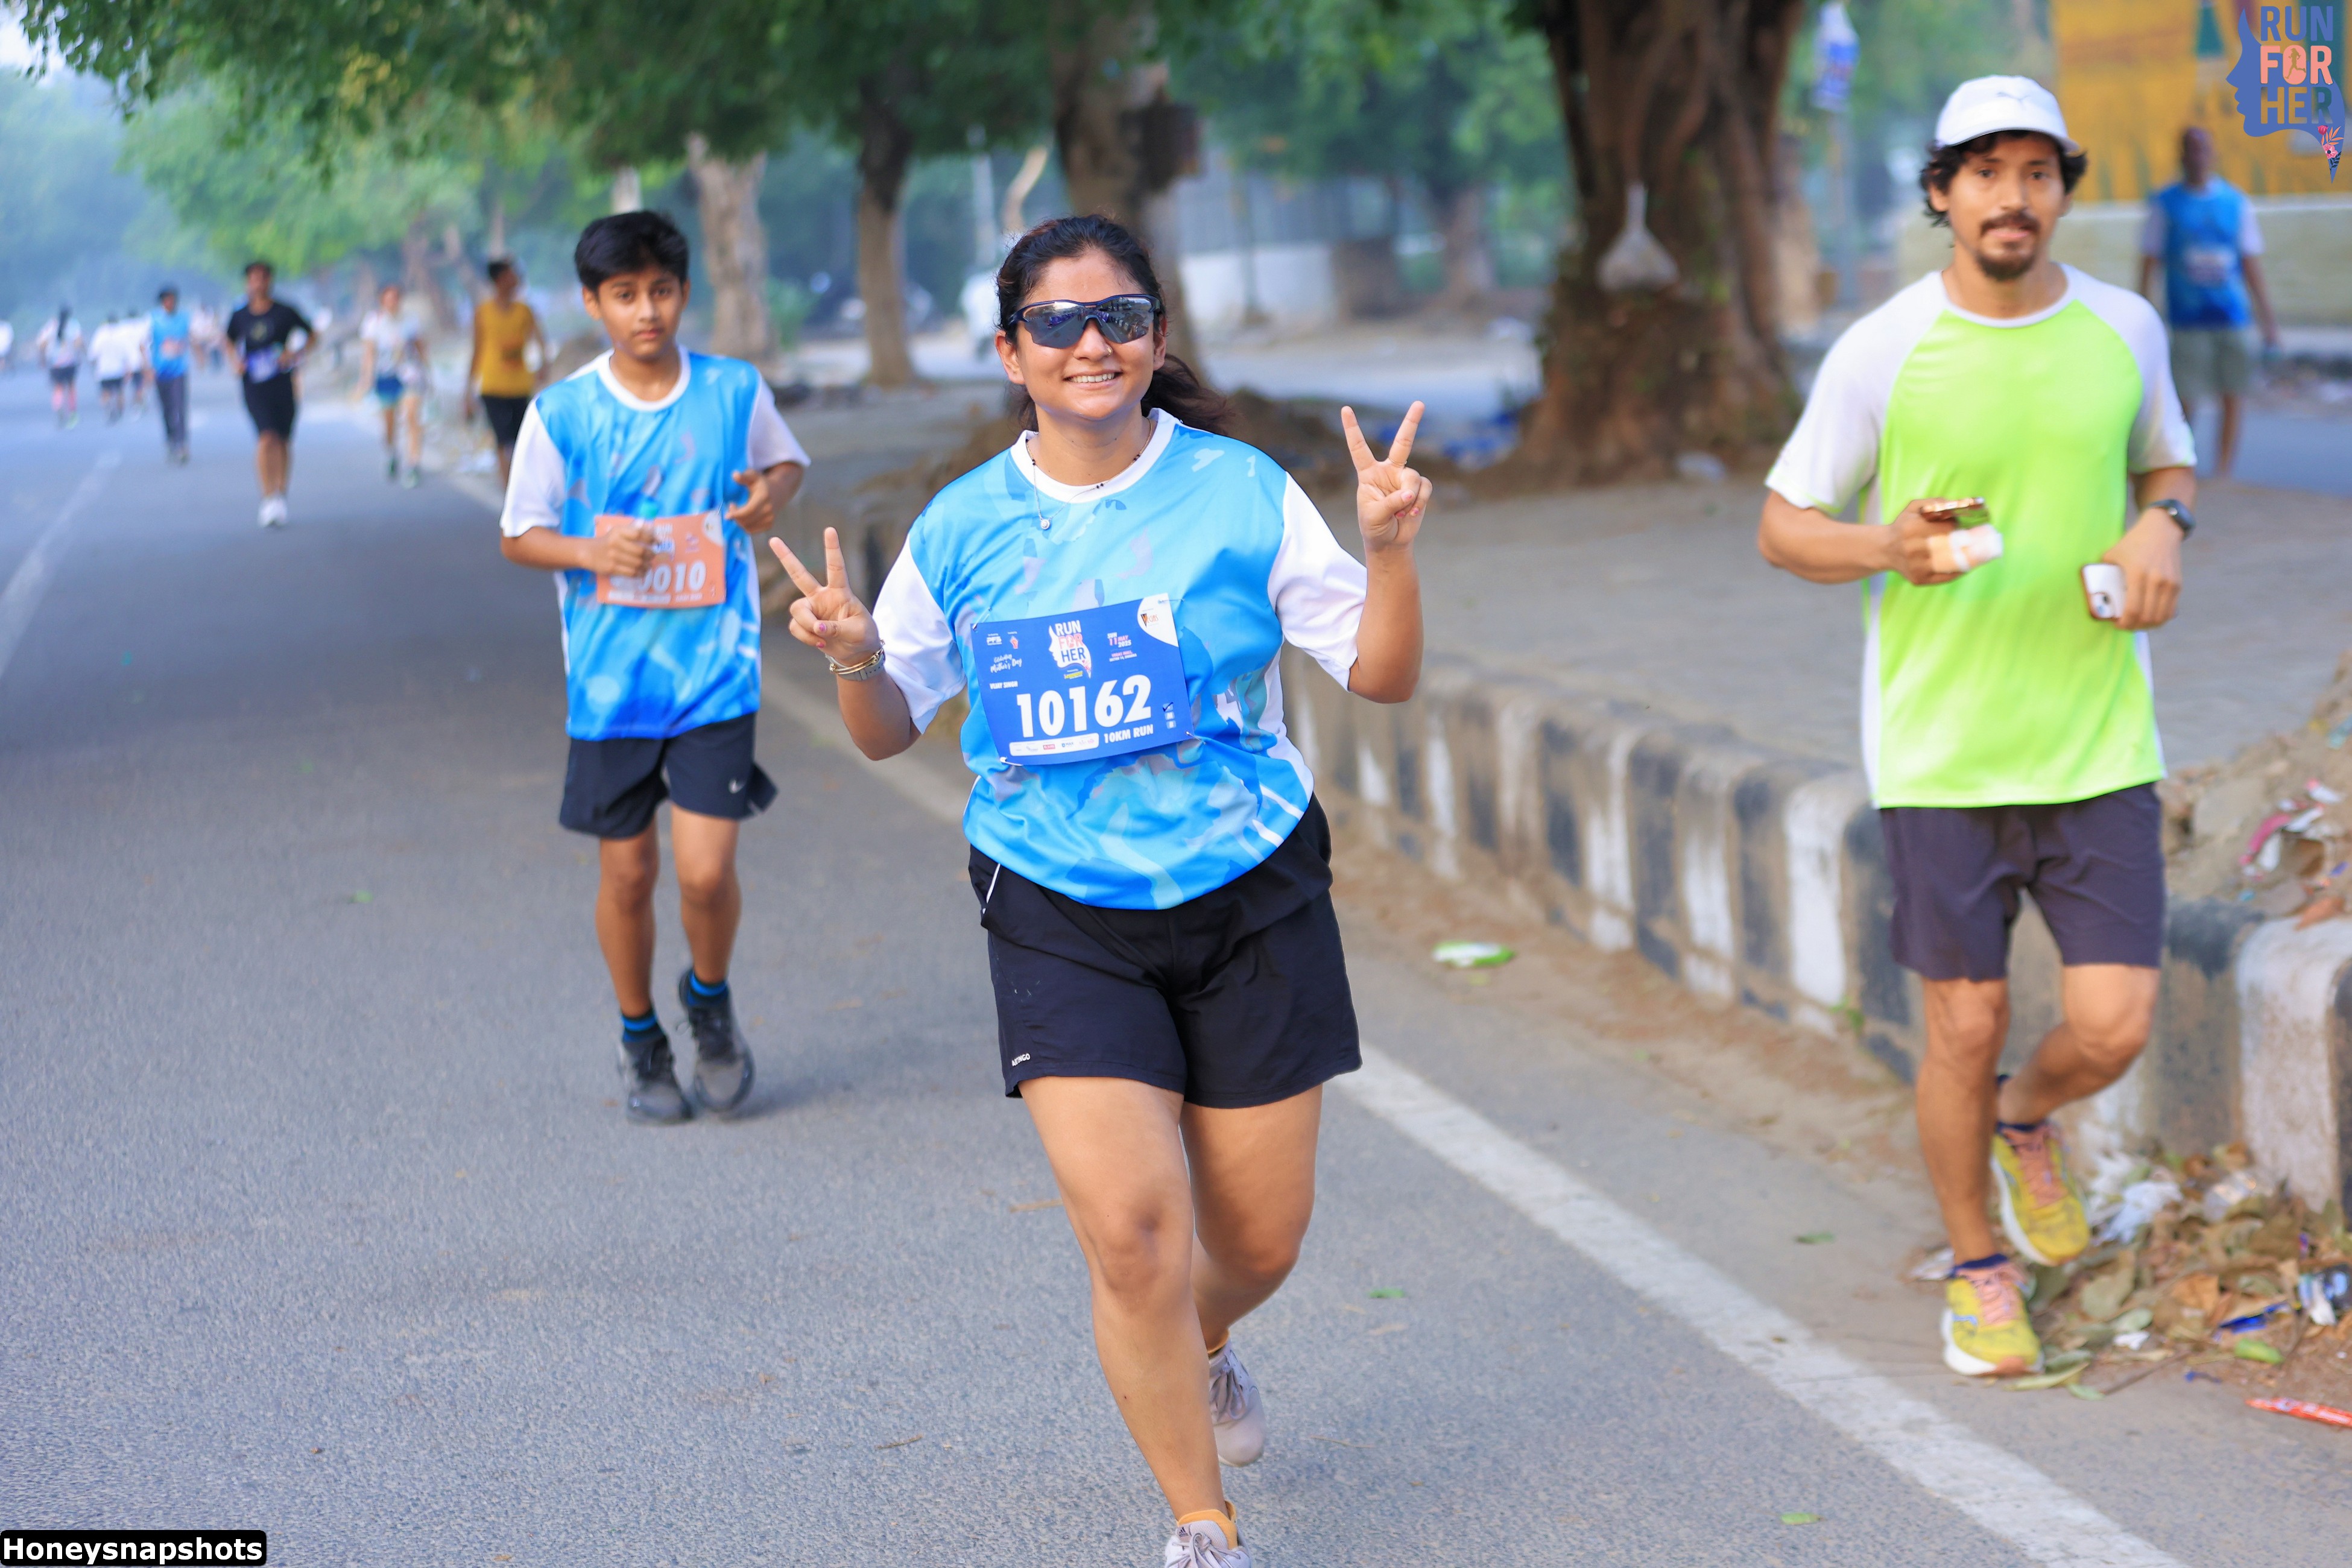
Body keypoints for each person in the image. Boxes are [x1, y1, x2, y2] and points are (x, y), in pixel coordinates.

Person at [772, 213, 1430, 1568]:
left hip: (1248, 888)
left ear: (1157, 338)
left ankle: (1207, 1339)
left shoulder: (1242, 491)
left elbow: (1381, 673)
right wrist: (854, 656)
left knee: (1258, 1241)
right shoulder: (963, 527)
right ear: (1010, 351)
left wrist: (1393, 549)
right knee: (1135, 1238)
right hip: (1059, 903)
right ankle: (1202, 1524)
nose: (1091, 343)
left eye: (1119, 316)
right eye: (1058, 322)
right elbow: (890, 731)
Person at [1757, 77, 2195, 1380]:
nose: (2014, 197)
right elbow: (1784, 526)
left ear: (2063, 191)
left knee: (2112, 1024)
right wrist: (1884, 545)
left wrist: (2163, 524)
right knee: (1963, 1021)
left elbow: (2166, 462)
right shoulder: (1883, 348)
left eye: (2037, 172)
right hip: (1940, 754)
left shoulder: (2125, 329)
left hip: (2100, 737)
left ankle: (2023, 1119)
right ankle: (1979, 1267)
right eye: (1986, 172)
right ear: (1942, 193)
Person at [497, 210, 808, 1127]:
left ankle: (708, 1000)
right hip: (611, 686)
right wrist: (589, 552)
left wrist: (767, 495)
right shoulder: (562, 413)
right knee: (629, 874)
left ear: (684, 293)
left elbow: (785, 464)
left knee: (706, 873)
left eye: (662, 291)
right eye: (625, 294)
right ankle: (641, 1035)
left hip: (716, 675)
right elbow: (518, 535)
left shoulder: (733, 391)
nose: (647, 311)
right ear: (593, 303)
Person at [2138, 124, 2279, 481]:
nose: (2197, 156)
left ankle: (2224, 470)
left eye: (2203, 148)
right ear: (2181, 155)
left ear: (2213, 154)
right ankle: (2183, 464)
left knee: (2234, 393)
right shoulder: (2165, 205)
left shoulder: (2235, 203)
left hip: (2231, 316)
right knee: (2186, 398)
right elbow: (2149, 262)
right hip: (2187, 319)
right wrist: (2142, 317)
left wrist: (2268, 322)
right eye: (2191, 149)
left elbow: (2250, 264)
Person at [225, 261, 314, 528]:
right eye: (253, 279)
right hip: (255, 385)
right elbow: (228, 340)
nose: (258, 284)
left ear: (270, 281)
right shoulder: (240, 315)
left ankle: (281, 492)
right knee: (266, 437)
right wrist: (235, 361)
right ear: (247, 283)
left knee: (283, 439)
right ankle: (267, 497)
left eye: (263, 278)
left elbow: (311, 334)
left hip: (282, 382)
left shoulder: (285, 311)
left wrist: (295, 354)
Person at [468, 256, 548, 490]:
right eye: (511, 274)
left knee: (523, 439)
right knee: (503, 441)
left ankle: (524, 486)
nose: (516, 279)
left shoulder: (525, 312)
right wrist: (468, 390)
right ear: (499, 280)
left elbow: (541, 342)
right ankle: (509, 491)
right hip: (492, 386)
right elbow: (477, 350)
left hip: (520, 385)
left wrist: (544, 366)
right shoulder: (483, 313)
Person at [358, 282, 428, 487]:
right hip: (385, 377)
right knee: (389, 422)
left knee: (412, 417)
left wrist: (427, 372)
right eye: (389, 298)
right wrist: (366, 379)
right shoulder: (373, 322)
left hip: (409, 375)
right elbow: (369, 353)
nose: (393, 302)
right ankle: (391, 452)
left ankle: (413, 463)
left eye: (396, 298)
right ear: (382, 300)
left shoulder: (410, 321)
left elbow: (420, 348)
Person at [151, 286, 194, 464]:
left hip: (179, 371)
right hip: (161, 371)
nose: (170, 303)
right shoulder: (153, 319)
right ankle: (170, 439)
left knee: (180, 407)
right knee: (167, 409)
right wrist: (147, 368)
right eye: (167, 300)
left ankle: (182, 444)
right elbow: (144, 344)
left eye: (173, 300)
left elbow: (192, 337)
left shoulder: (184, 318)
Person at [34, 305, 84, 428]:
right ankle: (72, 413)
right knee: (71, 388)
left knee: (58, 389)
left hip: (55, 363)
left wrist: (42, 359)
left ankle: (58, 407)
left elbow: (41, 344)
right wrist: (80, 355)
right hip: (70, 362)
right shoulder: (73, 325)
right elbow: (79, 342)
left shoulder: (51, 325)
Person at [92, 312, 138, 423]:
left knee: (106, 392)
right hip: (118, 369)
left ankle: (108, 408)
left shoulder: (101, 333)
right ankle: (120, 411)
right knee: (120, 392)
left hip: (104, 370)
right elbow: (128, 354)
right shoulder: (122, 333)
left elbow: (93, 354)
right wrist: (129, 369)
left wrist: (95, 367)